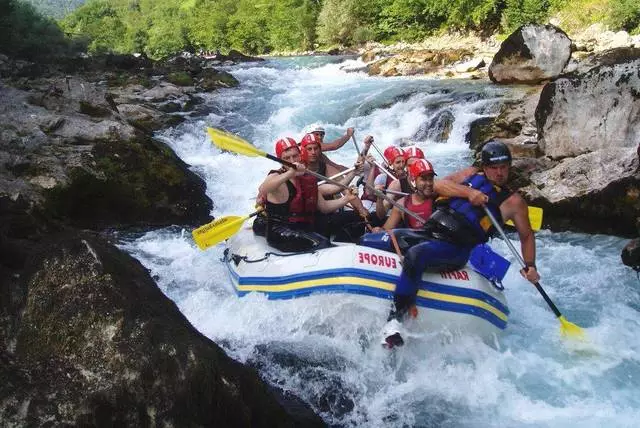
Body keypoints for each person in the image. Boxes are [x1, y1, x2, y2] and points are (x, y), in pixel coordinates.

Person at [382, 140, 540, 349]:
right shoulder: (470, 174)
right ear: (484, 167)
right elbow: (436, 185)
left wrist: (530, 265)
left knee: (415, 255)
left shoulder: (514, 202)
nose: (500, 173)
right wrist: (469, 193)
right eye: (494, 168)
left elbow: (526, 235)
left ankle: (394, 322)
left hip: (456, 247)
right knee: (377, 240)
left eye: (504, 167)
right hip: (430, 232)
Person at [256, 137, 357, 253]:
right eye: (287, 158)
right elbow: (264, 188)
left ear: (300, 155)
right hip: (280, 232)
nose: (292, 160)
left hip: (303, 227)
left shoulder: (305, 178)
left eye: (295, 156)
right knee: (321, 243)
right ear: (280, 160)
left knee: (352, 218)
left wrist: (346, 198)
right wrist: (290, 173)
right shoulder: (276, 177)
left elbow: (324, 207)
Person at [373, 159, 437, 232]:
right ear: (413, 180)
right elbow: (385, 230)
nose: (428, 183)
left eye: (430, 179)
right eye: (424, 179)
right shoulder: (401, 205)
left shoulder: (439, 198)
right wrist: (378, 231)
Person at [374, 146, 411, 221]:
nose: (401, 165)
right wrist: (379, 197)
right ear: (391, 163)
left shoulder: (411, 177)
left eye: (403, 162)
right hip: (391, 214)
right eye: (398, 162)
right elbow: (381, 214)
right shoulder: (383, 178)